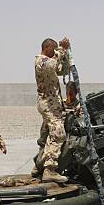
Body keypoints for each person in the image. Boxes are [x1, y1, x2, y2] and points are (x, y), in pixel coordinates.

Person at [35, 37, 71, 183]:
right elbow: (52, 65)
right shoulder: (41, 61)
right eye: (54, 49)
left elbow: (63, 70)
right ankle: (49, 169)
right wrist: (62, 49)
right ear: (47, 47)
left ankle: (38, 165)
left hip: (53, 105)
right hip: (48, 105)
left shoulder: (50, 61)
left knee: (46, 136)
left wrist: (66, 53)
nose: (55, 52)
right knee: (58, 133)